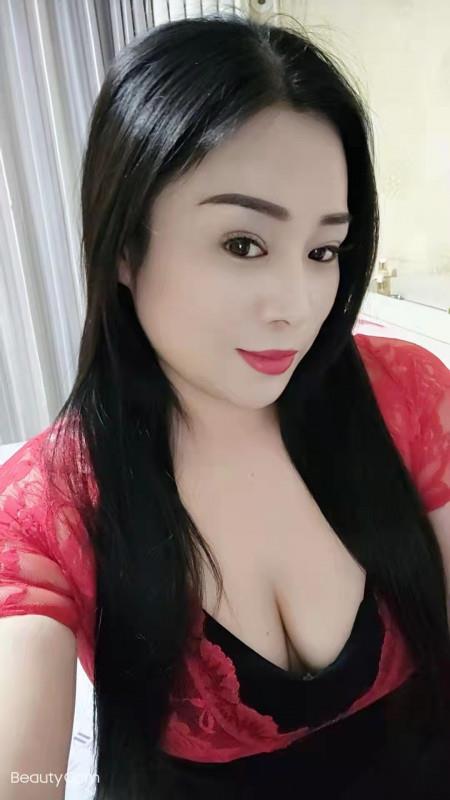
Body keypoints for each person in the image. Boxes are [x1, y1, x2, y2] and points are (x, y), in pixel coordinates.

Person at [1, 12, 450, 800]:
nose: (297, 305)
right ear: (124, 248)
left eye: (323, 250)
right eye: (243, 244)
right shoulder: (52, 508)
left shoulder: (402, 394)